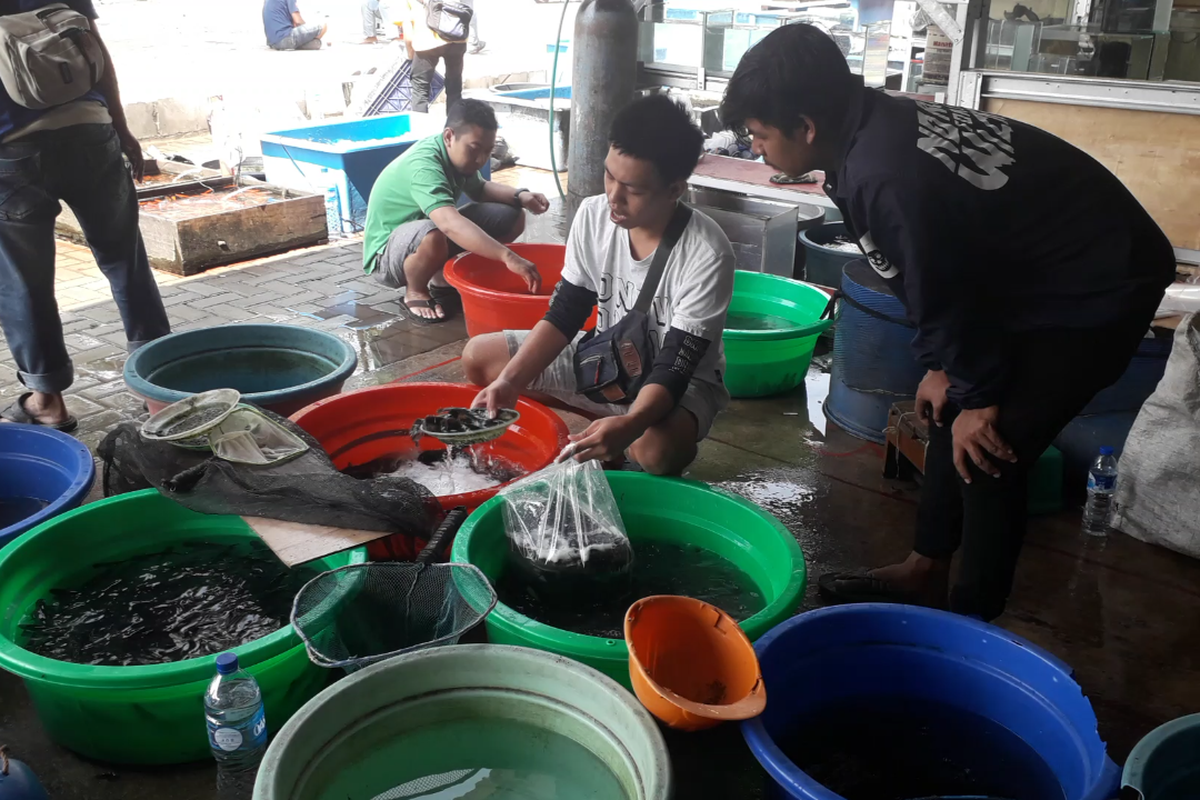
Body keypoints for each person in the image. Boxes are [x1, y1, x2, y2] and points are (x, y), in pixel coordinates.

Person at [720, 24, 1176, 621]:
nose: (756, 149)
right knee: (946, 413)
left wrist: (981, 397)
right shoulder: (867, 127)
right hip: (1031, 271)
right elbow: (939, 269)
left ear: (806, 126)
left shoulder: (886, 172)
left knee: (991, 449)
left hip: (1098, 284)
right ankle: (925, 571)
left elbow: (943, 281)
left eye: (759, 135)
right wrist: (945, 368)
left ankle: (969, 622)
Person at [463, 95, 736, 476]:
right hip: (610, 357)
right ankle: (604, 420)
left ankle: (623, 428)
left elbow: (675, 364)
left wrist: (633, 422)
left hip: (680, 380)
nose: (613, 196)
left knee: (655, 452)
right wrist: (510, 382)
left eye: (633, 189)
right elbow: (565, 313)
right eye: (609, 175)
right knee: (481, 358)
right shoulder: (593, 216)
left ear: (674, 189)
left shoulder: (706, 251)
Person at [0, 0, 170, 432]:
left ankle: (47, 403)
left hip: (10, 149)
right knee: (125, 260)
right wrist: (120, 125)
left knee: (23, 281)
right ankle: (156, 380)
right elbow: (95, 50)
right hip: (91, 132)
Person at [362, 98, 550, 321]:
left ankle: (443, 278)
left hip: (432, 233)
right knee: (434, 234)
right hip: (386, 255)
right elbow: (449, 224)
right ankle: (415, 291)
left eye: (488, 151)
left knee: (512, 214)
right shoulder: (424, 165)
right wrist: (507, 256)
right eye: (474, 149)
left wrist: (521, 196)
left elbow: (480, 189)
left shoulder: (459, 158)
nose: (481, 160)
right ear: (449, 136)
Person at [403, 0, 465, 113]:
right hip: (457, 39)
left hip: (426, 42)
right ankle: (454, 126)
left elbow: (408, 35)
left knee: (420, 88)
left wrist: (410, 54)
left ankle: (421, 126)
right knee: (454, 85)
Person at [262, 0, 327, 51]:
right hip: (284, 37)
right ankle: (309, 39)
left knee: (316, 44)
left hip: (273, 42)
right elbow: (298, 20)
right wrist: (308, 34)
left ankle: (304, 42)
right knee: (322, 26)